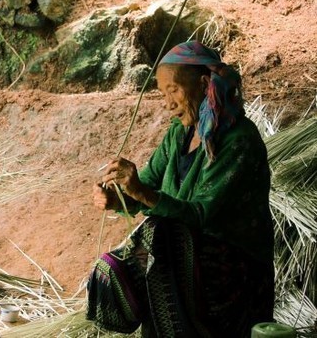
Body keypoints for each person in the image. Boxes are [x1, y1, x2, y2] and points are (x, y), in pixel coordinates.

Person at [87, 41, 274, 337]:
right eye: (163, 94)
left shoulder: (238, 140)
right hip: (184, 252)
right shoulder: (179, 133)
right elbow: (147, 183)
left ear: (202, 84)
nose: (168, 103)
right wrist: (117, 196)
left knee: (161, 236)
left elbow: (201, 214)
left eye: (174, 90)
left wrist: (141, 193)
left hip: (235, 267)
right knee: (147, 250)